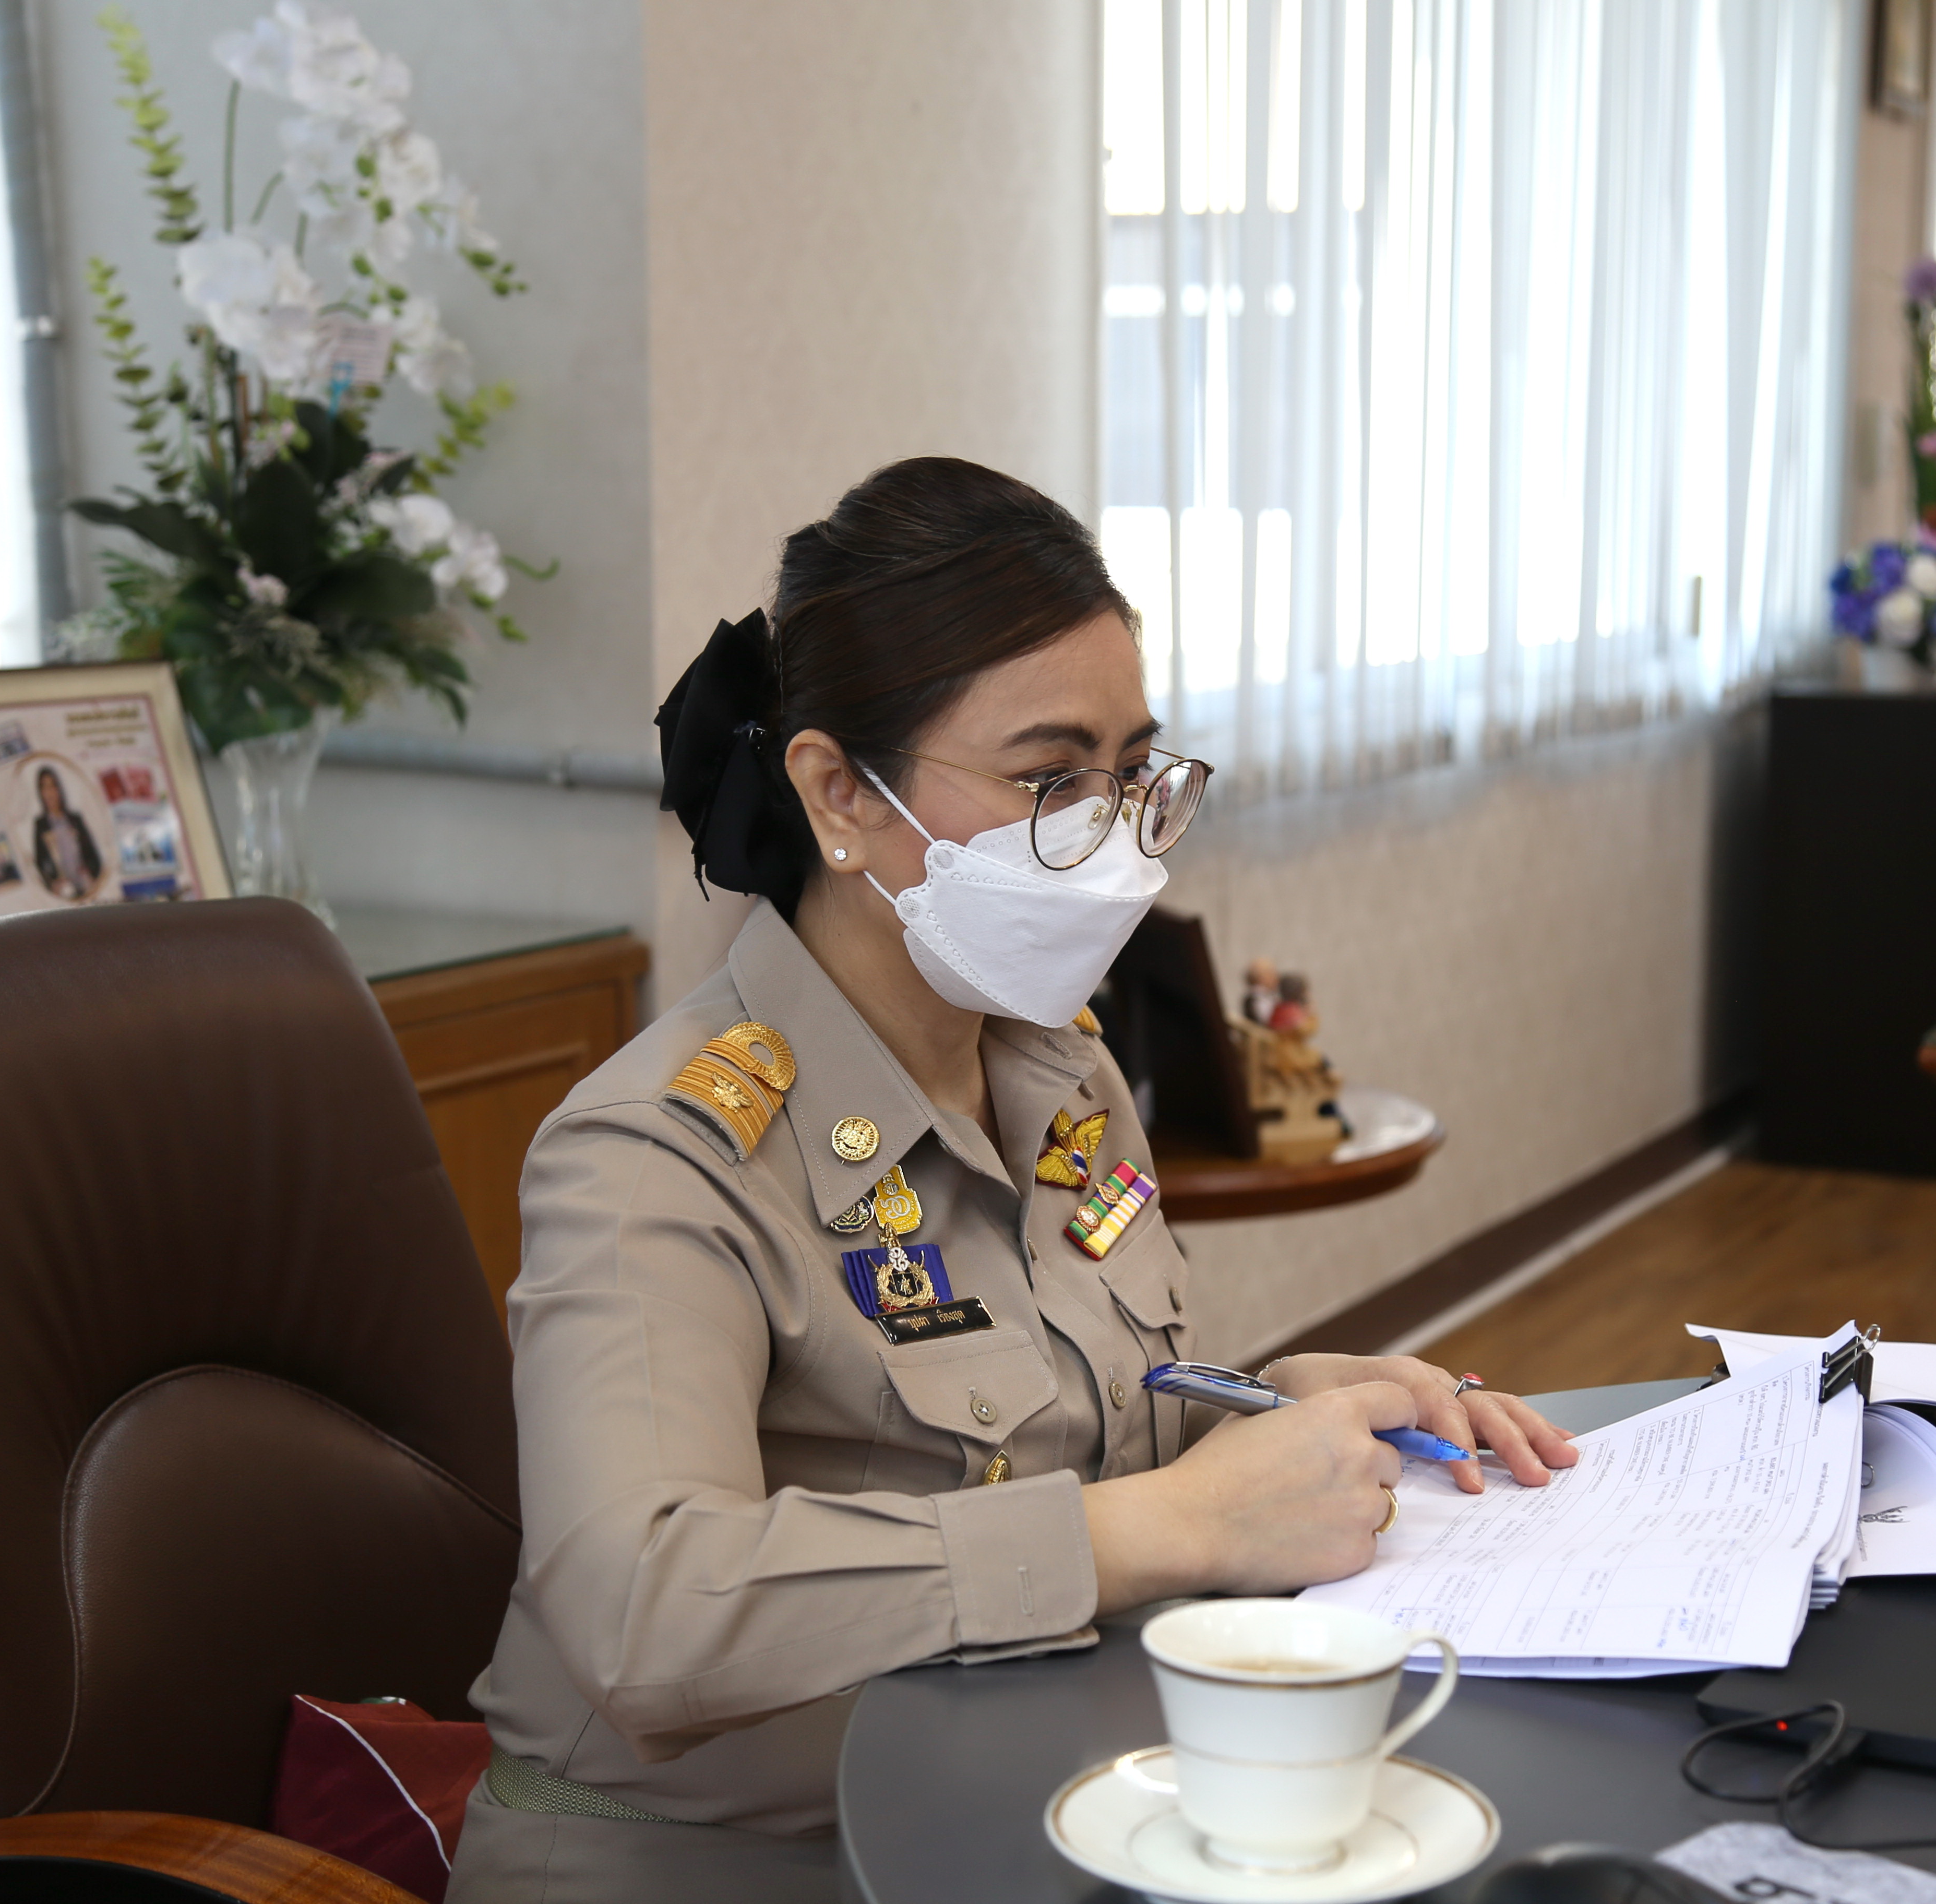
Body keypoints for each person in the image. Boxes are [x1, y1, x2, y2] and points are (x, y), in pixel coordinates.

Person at [447, 459, 1577, 1903]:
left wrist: (1266, 1412)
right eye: (1049, 782)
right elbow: (645, 1614)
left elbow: (1057, 1440)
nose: (1109, 839)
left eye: (1130, 773)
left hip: (1029, 1802)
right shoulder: (657, 1154)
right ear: (838, 792)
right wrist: (1177, 1525)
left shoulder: (1064, 1072)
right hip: (723, 1869)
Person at [28, 766, 102, 901]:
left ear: (59, 789)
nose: (49, 793)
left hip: (87, 887)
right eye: (44, 787)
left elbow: (93, 854)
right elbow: (40, 863)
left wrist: (90, 872)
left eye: (52, 786)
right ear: (40, 792)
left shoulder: (75, 820)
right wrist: (52, 883)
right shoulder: (41, 825)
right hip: (64, 894)